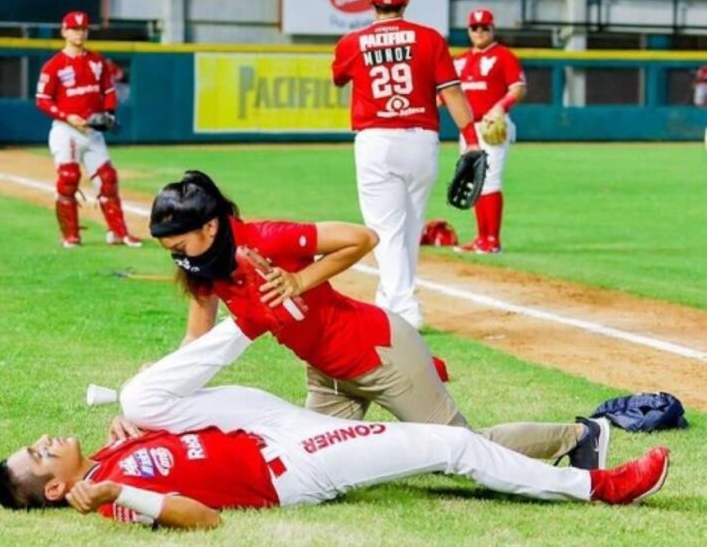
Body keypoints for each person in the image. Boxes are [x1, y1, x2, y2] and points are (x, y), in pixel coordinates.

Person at [147, 170, 608, 469]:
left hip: (379, 354)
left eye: (179, 247)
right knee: (315, 465)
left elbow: (362, 237)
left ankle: (579, 436)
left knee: (463, 453)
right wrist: (158, 394)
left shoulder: (266, 240)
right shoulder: (206, 269)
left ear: (209, 227)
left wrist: (298, 281)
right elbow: (196, 340)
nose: (178, 260)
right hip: (327, 375)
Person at [0, 348, 670, 529]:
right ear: (55, 488)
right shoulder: (110, 491)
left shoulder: (114, 446)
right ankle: (600, 486)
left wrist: (139, 423)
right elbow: (202, 520)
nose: (46, 439)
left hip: (277, 429)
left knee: (151, 397)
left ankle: (382, 362)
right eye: (39, 453)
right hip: (289, 467)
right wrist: (125, 493)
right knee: (452, 447)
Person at [331, 0, 481, 329]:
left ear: (369, 0)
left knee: (386, 230)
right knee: (409, 228)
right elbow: (452, 93)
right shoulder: (429, 39)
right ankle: (391, 301)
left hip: (377, 141)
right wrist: (472, 140)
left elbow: (339, 78)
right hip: (421, 140)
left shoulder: (352, 42)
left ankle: (405, 309)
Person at [35, 10, 142, 249]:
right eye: (74, 28)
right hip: (66, 131)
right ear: (64, 32)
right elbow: (42, 99)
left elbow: (108, 91)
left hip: (93, 132)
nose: (79, 32)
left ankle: (118, 232)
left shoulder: (97, 61)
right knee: (68, 179)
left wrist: (109, 113)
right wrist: (66, 116)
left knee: (108, 180)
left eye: (83, 28)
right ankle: (70, 235)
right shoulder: (53, 66)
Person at [452, 9, 527, 254]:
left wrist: (499, 107)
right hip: (468, 129)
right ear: (469, 31)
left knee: (490, 180)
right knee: (475, 182)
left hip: (492, 125)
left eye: (485, 27)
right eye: (475, 28)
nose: (480, 32)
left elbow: (518, 88)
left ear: (493, 29)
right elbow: (448, 94)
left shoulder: (503, 56)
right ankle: (480, 238)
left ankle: (492, 241)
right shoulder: (460, 59)